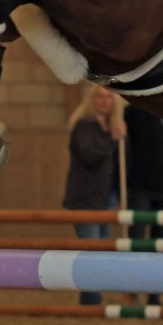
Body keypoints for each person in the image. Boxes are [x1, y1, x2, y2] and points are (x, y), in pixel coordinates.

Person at [63, 84, 128, 306]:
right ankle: (90, 297)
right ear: (91, 100)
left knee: (101, 248)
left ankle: (94, 294)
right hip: (86, 199)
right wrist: (113, 140)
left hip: (106, 198)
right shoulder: (84, 126)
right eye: (99, 97)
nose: (104, 101)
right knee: (91, 248)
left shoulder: (112, 127)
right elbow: (90, 155)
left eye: (108, 97)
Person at [121, 102, 163, 306]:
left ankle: (154, 294)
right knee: (137, 241)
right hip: (139, 187)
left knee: (160, 243)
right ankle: (132, 291)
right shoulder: (133, 112)